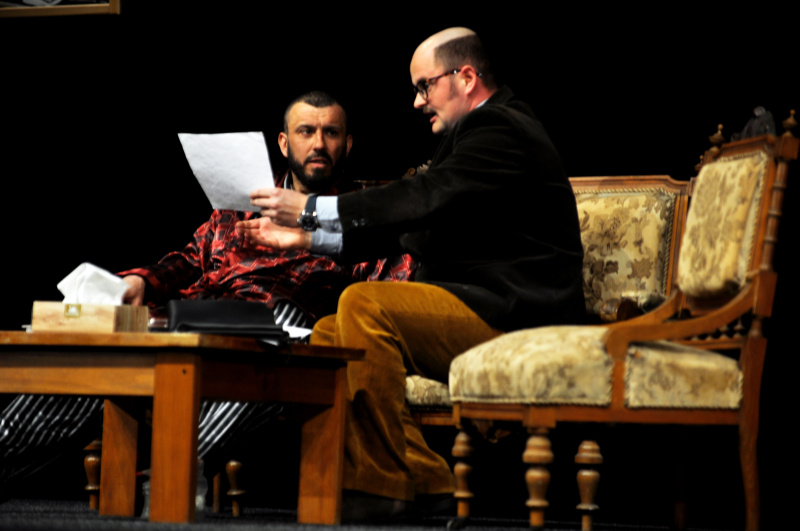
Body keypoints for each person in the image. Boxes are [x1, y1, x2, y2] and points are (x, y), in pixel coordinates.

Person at [239, 28, 585, 520]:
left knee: (364, 303)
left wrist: (311, 210)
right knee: (330, 334)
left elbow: (424, 196)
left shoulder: (502, 128)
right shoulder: (472, 136)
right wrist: (306, 240)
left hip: (519, 316)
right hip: (480, 305)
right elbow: (414, 229)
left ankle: (382, 485)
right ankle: (424, 480)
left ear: (466, 77)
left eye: (425, 86)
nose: (418, 101)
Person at [0, 91, 413, 488]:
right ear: (284, 143)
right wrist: (142, 280)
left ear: (348, 143)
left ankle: (167, 475)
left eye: (331, 133)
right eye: (306, 131)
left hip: (283, 332)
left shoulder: (365, 213)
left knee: (276, 322)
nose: (318, 144)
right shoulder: (245, 200)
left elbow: (387, 293)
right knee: (104, 348)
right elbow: (189, 259)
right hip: (199, 319)